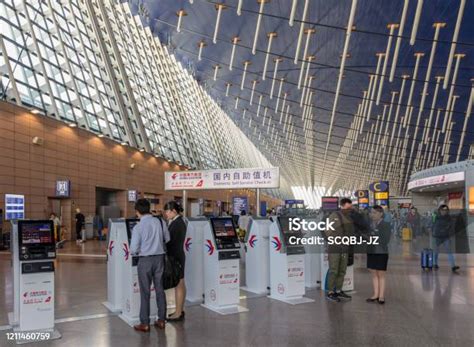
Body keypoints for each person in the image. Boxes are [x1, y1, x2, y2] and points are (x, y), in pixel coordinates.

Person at [130, 198, 170, 332]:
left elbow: (133, 249)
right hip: (160, 259)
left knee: (145, 292)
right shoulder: (160, 221)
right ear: (149, 208)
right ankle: (161, 320)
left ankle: (145, 323)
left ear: (137, 212)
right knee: (160, 289)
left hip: (145, 261)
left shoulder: (138, 227)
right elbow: (167, 238)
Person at [326, 198, 354, 302]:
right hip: (335, 247)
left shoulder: (350, 217)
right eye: (347, 208)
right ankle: (330, 292)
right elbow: (327, 231)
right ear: (342, 206)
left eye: (350, 208)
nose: (349, 209)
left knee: (342, 270)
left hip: (345, 248)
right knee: (334, 270)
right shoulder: (334, 216)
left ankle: (338, 290)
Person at [163, 201, 187, 322]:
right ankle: (179, 310)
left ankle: (178, 313)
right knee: (180, 283)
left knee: (179, 284)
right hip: (178, 256)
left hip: (176, 257)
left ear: (174, 211)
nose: (166, 214)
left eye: (167, 211)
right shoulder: (177, 222)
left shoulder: (177, 223)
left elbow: (169, 242)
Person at [366, 205, 391, 304]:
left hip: (381, 252)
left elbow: (386, 240)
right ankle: (375, 294)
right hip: (371, 251)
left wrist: (374, 236)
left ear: (381, 214)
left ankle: (381, 296)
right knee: (373, 273)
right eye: (371, 213)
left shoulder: (386, 225)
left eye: (375, 213)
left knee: (381, 274)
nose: (372, 215)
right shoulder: (369, 225)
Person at [432, 205, 459, 273]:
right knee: (436, 251)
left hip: (445, 237)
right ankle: (435, 264)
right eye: (442, 210)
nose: (444, 211)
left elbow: (451, 226)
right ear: (440, 210)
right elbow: (432, 224)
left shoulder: (449, 218)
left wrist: (450, 232)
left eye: (445, 210)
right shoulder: (436, 217)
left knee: (449, 251)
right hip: (437, 236)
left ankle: (453, 266)